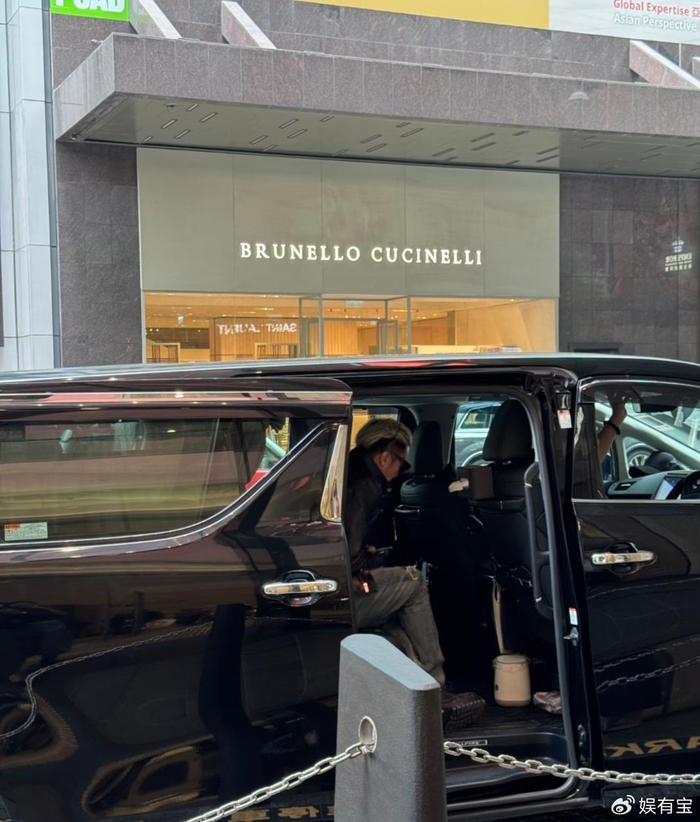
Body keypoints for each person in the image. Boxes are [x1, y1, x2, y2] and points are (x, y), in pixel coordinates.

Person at [345, 418, 485, 728]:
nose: (402, 471)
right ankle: (436, 683)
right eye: (401, 462)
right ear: (384, 457)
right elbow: (349, 555)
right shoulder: (362, 487)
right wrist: (366, 560)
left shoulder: (350, 471)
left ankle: (421, 691)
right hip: (345, 593)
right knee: (413, 583)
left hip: (338, 588)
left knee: (397, 606)